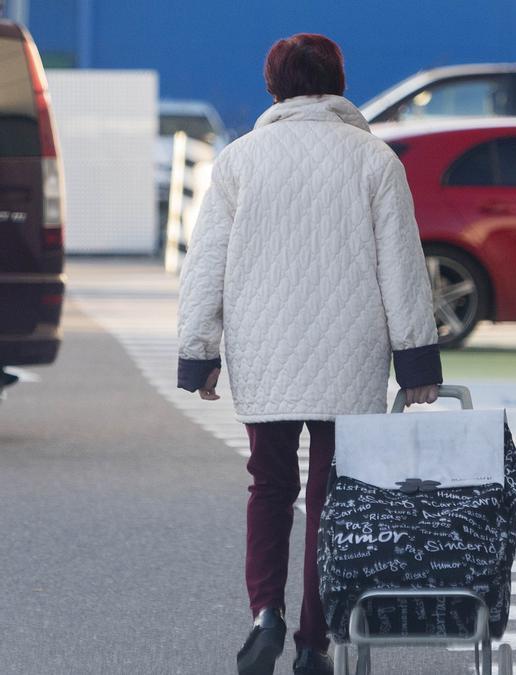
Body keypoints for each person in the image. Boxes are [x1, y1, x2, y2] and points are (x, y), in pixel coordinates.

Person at [176, 33, 442, 675]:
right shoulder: (374, 159)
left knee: (268, 484)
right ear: (339, 81)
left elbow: (205, 264)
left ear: (274, 87)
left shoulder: (239, 160)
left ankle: (265, 614)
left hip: (264, 345)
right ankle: (312, 641)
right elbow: (402, 268)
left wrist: (199, 353)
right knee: (331, 494)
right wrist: (417, 364)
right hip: (350, 348)